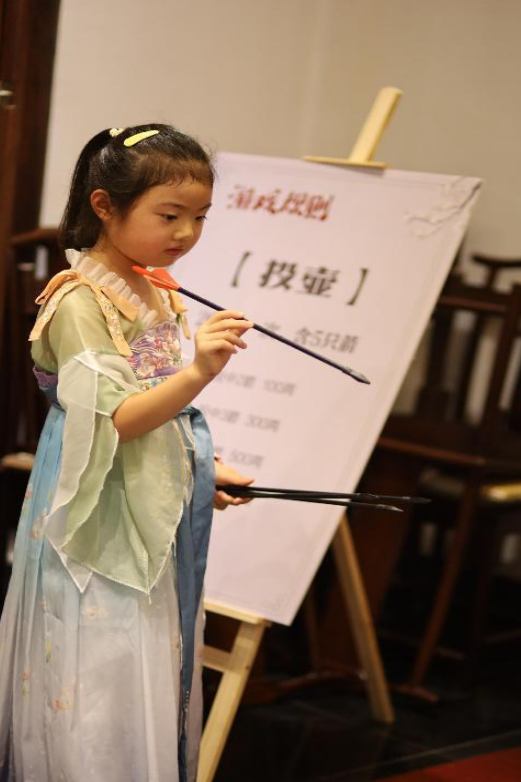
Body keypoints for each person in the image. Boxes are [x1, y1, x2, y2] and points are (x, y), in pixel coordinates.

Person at [0, 123, 254, 782]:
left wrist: (199, 469)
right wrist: (199, 371)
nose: (186, 233)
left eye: (199, 217)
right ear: (105, 206)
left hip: (146, 490)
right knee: (98, 666)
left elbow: (155, 408)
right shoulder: (79, 303)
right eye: (169, 216)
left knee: (145, 652)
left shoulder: (156, 287)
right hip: (97, 500)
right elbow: (115, 421)